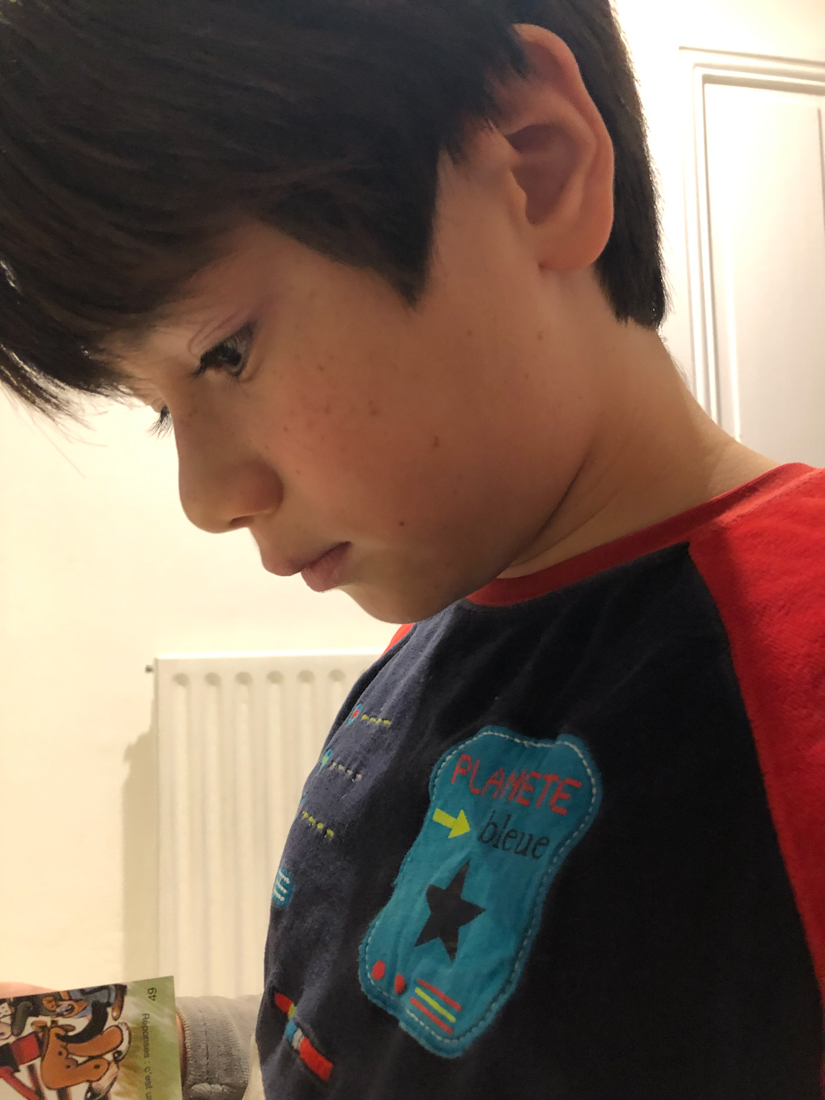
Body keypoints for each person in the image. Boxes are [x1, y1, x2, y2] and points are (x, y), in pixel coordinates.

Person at [0, 0, 822, 1097]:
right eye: (158, 408)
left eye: (226, 352)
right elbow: (353, 1038)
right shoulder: (425, 651)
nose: (206, 500)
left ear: (535, 167)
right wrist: (118, 1051)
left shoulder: (795, 670)